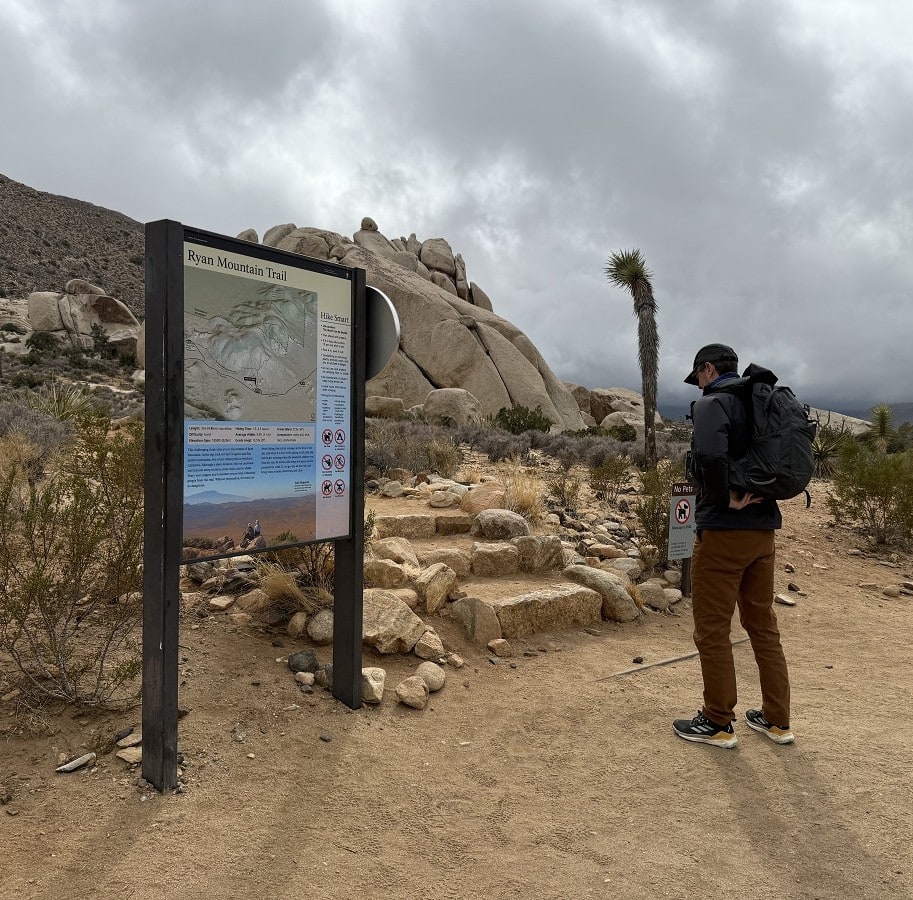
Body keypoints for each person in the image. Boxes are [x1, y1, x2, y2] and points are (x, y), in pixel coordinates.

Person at [672, 343, 794, 748]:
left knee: (711, 629)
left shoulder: (713, 404)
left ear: (708, 369)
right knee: (762, 625)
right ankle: (777, 720)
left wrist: (724, 498)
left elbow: (708, 453)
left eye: (699, 376)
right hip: (763, 533)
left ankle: (718, 721)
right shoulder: (760, 401)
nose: (699, 384)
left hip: (725, 532)